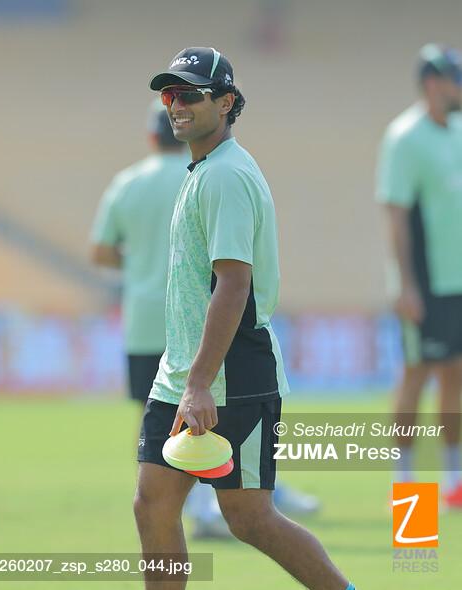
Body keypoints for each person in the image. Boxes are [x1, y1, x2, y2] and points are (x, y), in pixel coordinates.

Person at [135, 46, 355, 590]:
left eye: (190, 94)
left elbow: (234, 285)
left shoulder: (226, 176)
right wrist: (188, 379)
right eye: (170, 95)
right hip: (185, 373)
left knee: (250, 518)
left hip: (230, 375)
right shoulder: (206, 169)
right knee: (153, 505)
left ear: (226, 102)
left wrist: (200, 384)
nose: (177, 105)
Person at [91, 102, 231, 537]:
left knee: (153, 415)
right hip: (193, 316)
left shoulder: (128, 183)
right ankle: (208, 505)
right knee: (205, 408)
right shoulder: (200, 175)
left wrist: (138, 264)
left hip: (144, 318)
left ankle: (159, 502)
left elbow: (101, 251)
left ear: (151, 137)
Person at [376, 43, 462, 508]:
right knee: (416, 374)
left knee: (456, 376)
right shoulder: (405, 137)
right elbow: (396, 214)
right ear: (433, 84)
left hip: (458, 282)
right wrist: (406, 284)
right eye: (455, 80)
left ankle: (454, 479)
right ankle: (407, 485)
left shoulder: (458, 131)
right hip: (424, 285)